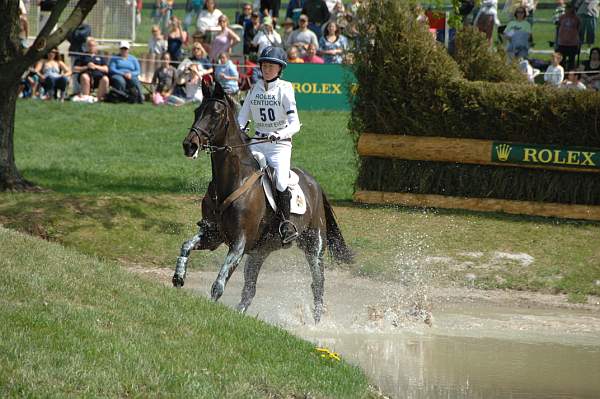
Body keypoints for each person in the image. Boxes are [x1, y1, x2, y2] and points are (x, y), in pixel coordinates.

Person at [237, 46, 301, 244]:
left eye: (271, 66)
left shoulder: (285, 89)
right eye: (264, 65)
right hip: (257, 141)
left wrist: (279, 134)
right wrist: (238, 134)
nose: (266, 69)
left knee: (281, 181)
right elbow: (242, 118)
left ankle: (286, 224)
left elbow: (295, 124)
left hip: (279, 145)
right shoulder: (254, 89)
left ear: (279, 69)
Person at [557, 3, 581, 71]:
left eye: (569, 8)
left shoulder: (576, 18)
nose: (568, 9)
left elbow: (579, 29)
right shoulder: (562, 17)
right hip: (562, 43)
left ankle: (570, 75)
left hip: (572, 44)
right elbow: (558, 27)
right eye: (567, 8)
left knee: (571, 62)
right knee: (562, 61)